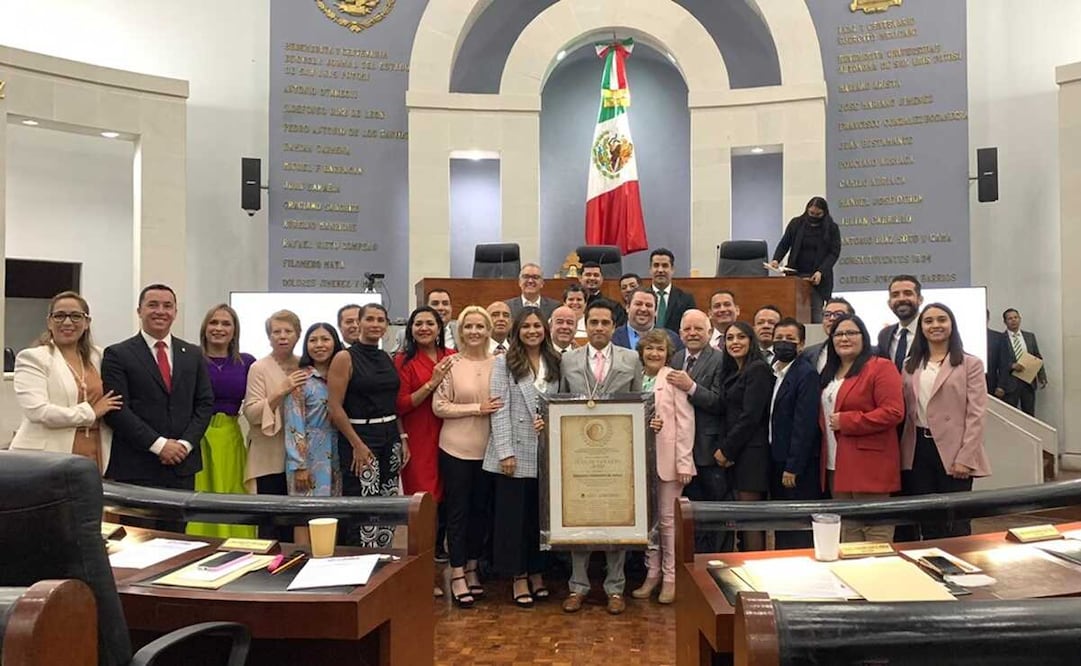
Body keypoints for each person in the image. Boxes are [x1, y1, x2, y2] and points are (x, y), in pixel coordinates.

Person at [102, 284, 214, 531]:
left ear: (175, 312)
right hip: (137, 464)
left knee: (177, 540)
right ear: (139, 310)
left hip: (181, 467)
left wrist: (184, 445)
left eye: (167, 306)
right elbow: (116, 410)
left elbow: (204, 404)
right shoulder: (117, 354)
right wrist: (160, 445)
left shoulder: (193, 354)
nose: (160, 311)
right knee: (137, 541)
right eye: (153, 305)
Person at [560, 298, 643, 615]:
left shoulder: (631, 358)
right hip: (579, 454)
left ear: (613, 326)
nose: (598, 328)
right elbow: (559, 403)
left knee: (615, 515)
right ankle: (577, 586)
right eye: (593, 322)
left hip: (616, 454)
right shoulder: (569, 360)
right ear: (586, 325)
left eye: (604, 323)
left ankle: (615, 588)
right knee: (580, 515)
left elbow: (638, 402)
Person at [484, 307, 561, 608]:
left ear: (545, 330)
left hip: (545, 451)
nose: (532, 331)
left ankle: (538, 571)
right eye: (526, 326)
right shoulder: (504, 363)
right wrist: (505, 452)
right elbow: (499, 409)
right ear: (517, 331)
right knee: (513, 519)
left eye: (537, 326)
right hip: (514, 451)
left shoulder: (554, 361)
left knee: (538, 518)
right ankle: (518, 576)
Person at [901, 304, 991, 539]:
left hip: (954, 449)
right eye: (928, 321)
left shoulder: (970, 363)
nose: (935, 325)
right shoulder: (910, 364)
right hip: (918, 449)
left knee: (957, 520)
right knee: (928, 519)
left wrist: (965, 457)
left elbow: (976, 413)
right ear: (921, 328)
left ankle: (961, 571)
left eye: (942, 320)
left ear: (952, 325)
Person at [433, 305, 499, 607]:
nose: (474, 332)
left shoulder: (500, 363)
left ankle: (473, 567)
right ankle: (457, 571)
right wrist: (476, 409)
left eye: (480, 327)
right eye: (468, 327)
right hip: (456, 448)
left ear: (488, 331)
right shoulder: (449, 363)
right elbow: (439, 406)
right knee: (458, 513)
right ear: (460, 332)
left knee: (481, 512)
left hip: (490, 450)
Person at [11, 291, 122, 472]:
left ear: (87, 323)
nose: (68, 322)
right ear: (49, 322)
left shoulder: (100, 356)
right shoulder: (33, 358)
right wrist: (91, 413)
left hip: (95, 453)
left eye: (76, 316)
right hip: (45, 459)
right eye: (60, 316)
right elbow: (39, 412)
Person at [328, 303, 409, 548]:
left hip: (390, 435)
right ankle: (359, 562)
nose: (375, 324)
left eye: (380, 320)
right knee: (362, 503)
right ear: (359, 323)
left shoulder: (386, 357)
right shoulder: (345, 357)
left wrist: (402, 437)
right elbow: (334, 407)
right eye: (369, 319)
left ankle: (381, 559)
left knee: (387, 501)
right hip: (360, 436)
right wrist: (357, 443)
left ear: (386, 326)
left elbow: (392, 402)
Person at [820, 313, 904, 543]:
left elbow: (893, 412)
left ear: (864, 337)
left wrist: (848, 421)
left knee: (875, 533)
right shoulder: (829, 374)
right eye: (838, 334)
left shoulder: (880, 367)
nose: (844, 338)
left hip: (870, 463)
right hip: (834, 463)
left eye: (851, 333)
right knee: (847, 534)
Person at [631, 329, 693, 604]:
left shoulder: (672, 379)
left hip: (668, 460)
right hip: (638, 462)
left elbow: (685, 422)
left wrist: (684, 461)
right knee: (649, 522)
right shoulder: (634, 379)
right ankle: (651, 574)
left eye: (660, 349)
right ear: (641, 352)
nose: (654, 354)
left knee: (668, 523)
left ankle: (671, 578)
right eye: (649, 349)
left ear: (668, 353)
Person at [187, 304, 257, 539]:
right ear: (204, 328)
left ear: (234, 330)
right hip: (196, 435)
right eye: (213, 322)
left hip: (230, 435)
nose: (219, 328)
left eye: (226, 323)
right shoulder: (190, 357)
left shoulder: (246, 362)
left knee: (233, 491)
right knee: (200, 492)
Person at [394, 305, 456, 570]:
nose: (424, 328)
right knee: (424, 499)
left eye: (430, 323)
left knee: (450, 496)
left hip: (453, 433)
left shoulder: (452, 355)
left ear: (439, 328)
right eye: (418, 324)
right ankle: (421, 564)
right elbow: (401, 404)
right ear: (410, 329)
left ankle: (442, 553)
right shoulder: (403, 361)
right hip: (419, 437)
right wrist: (432, 383)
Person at [670, 310, 728, 552]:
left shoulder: (720, 359)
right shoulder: (674, 359)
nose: (692, 333)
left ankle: (717, 560)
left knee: (714, 511)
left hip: (708, 450)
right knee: (688, 512)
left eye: (698, 329)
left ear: (709, 332)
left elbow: (720, 402)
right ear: (680, 333)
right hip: (680, 451)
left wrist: (691, 387)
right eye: (687, 329)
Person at [716, 321, 773, 551]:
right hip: (737, 453)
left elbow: (751, 417)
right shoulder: (732, 371)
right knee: (742, 518)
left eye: (741, 337)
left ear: (751, 340)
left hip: (752, 453)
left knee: (751, 520)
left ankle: (755, 576)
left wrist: (727, 450)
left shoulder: (758, 369)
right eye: (730, 338)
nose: (735, 342)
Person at [767, 318, 821, 548]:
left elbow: (804, 423)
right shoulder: (775, 372)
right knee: (781, 521)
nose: (783, 343)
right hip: (775, 457)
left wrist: (793, 465)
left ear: (801, 344)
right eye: (779, 338)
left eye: (790, 339)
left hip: (795, 464)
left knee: (797, 524)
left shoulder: (805, 373)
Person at [243, 310, 307, 501]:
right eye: (276, 332)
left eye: (288, 331)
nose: (282, 337)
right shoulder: (259, 368)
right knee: (270, 519)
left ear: (298, 334)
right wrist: (280, 391)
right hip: (269, 456)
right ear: (269, 337)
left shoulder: (305, 366)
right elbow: (252, 413)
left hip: (301, 459)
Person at [283, 322, 344, 497]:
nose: (319, 345)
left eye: (325, 339)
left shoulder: (342, 376)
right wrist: (299, 465)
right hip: (308, 456)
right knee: (305, 514)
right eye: (313, 340)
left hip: (338, 454)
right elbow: (293, 425)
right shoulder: (301, 380)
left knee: (332, 515)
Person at [771, 196, 841, 321]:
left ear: (824, 213)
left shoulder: (832, 228)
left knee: (816, 315)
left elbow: (834, 253)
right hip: (795, 276)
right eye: (811, 213)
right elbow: (784, 244)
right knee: (793, 313)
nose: (813, 216)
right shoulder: (796, 224)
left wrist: (821, 271)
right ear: (807, 210)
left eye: (818, 214)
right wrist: (776, 259)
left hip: (819, 279)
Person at [993, 308, 1047, 416]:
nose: (1013, 320)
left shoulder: (1029, 337)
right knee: (1011, 416)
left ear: (1020, 319)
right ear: (1005, 322)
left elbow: (1037, 356)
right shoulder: (999, 339)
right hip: (1009, 383)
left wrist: (1042, 376)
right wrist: (1011, 365)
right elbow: (996, 361)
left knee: (1029, 415)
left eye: (1015, 317)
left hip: (1028, 382)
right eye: (1010, 318)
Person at [875, 275, 924, 373]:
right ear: (889, 303)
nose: (901, 299)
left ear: (920, 299)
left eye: (908, 293)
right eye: (895, 295)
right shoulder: (884, 335)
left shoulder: (929, 331)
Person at [612, 289, 682, 352]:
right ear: (627, 307)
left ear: (656, 311)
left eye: (649, 305)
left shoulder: (672, 339)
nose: (643, 309)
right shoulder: (612, 337)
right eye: (638, 304)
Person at [649, 248, 696, 333]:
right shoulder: (642, 298)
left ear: (672, 269)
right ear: (650, 269)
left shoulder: (685, 299)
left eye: (665, 265)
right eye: (656, 265)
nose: (660, 270)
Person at [802, 298, 854, 372]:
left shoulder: (868, 354)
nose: (831, 318)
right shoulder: (808, 354)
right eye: (827, 315)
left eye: (838, 314)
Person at [580, 261, 627, 327]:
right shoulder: (574, 304)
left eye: (596, 275)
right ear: (580, 278)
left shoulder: (615, 307)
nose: (592, 278)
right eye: (588, 275)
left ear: (602, 279)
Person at [985, 309, 1004, 394]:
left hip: (991, 382)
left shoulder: (998, 337)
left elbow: (1003, 364)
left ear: (988, 319)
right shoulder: (963, 337)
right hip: (967, 382)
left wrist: (1001, 385)